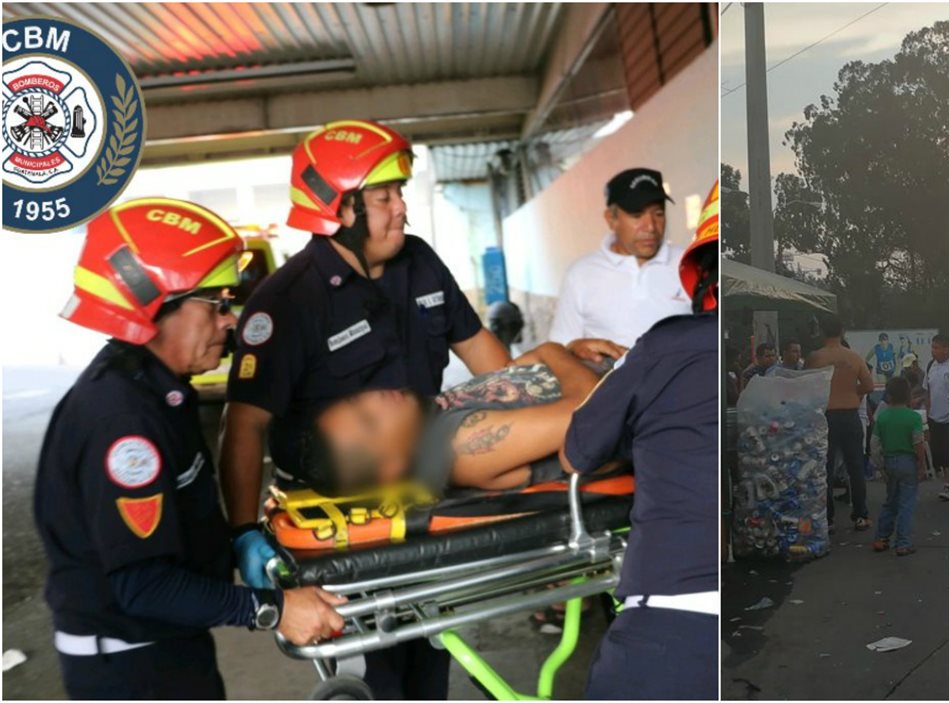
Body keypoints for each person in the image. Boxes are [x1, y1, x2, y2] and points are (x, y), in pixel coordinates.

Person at [219, 120, 511, 699]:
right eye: (383, 197)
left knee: (430, 665)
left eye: (400, 192)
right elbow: (245, 424)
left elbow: (486, 357)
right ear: (338, 210)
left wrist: (532, 394)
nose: (401, 207)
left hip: (426, 513)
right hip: (346, 534)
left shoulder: (420, 262)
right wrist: (243, 530)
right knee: (377, 681)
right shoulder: (287, 301)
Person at [35, 199, 344, 699]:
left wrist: (237, 541)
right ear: (155, 307)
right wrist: (272, 609)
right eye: (215, 304)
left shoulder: (159, 391)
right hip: (132, 669)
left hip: (166, 650)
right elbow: (143, 584)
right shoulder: (123, 425)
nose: (229, 320)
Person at [563, 180, 719, 700]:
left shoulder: (666, 343)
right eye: (636, 214)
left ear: (703, 277)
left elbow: (575, 453)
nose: (648, 224)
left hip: (670, 629)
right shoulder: (784, 373)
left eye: (656, 212)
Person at [294, 342, 606, 496]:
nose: (373, 398)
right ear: (391, 468)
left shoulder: (435, 413)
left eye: (356, 400)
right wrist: (554, 352)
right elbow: (592, 412)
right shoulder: (461, 448)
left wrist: (567, 354)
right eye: (370, 421)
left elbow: (524, 366)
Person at [548, 167, 691, 363]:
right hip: (610, 380)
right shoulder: (581, 274)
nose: (651, 227)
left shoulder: (690, 262)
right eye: (637, 215)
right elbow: (559, 348)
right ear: (611, 219)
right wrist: (574, 347)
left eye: (658, 214)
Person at [806, 316, 874, 532]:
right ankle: (860, 516)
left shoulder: (815, 358)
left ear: (822, 332)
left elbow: (805, 386)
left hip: (825, 416)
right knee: (855, 467)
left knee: (824, 468)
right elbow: (869, 386)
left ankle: (828, 519)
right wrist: (852, 392)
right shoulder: (854, 357)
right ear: (842, 331)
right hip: (850, 414)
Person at [870, 377, 927, 556]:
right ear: (908, 395)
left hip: (889, 461)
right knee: (906, 503)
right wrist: (922, 465)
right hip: (908, 462)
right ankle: (903, 543)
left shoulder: (883, 417)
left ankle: (881, 538)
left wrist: (881, 467)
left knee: (891, 501)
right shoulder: (913, 417)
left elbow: (874, 445)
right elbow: (918, 443)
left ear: (889, 395)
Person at [923, 334, 949, 501]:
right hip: (934, 418)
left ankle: (948, 485)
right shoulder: (931, 365)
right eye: (932, 347)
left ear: (946, 348)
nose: (933, 351)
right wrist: (928, 413)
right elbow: (927, 391)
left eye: (936, 347)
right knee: (939, 454)